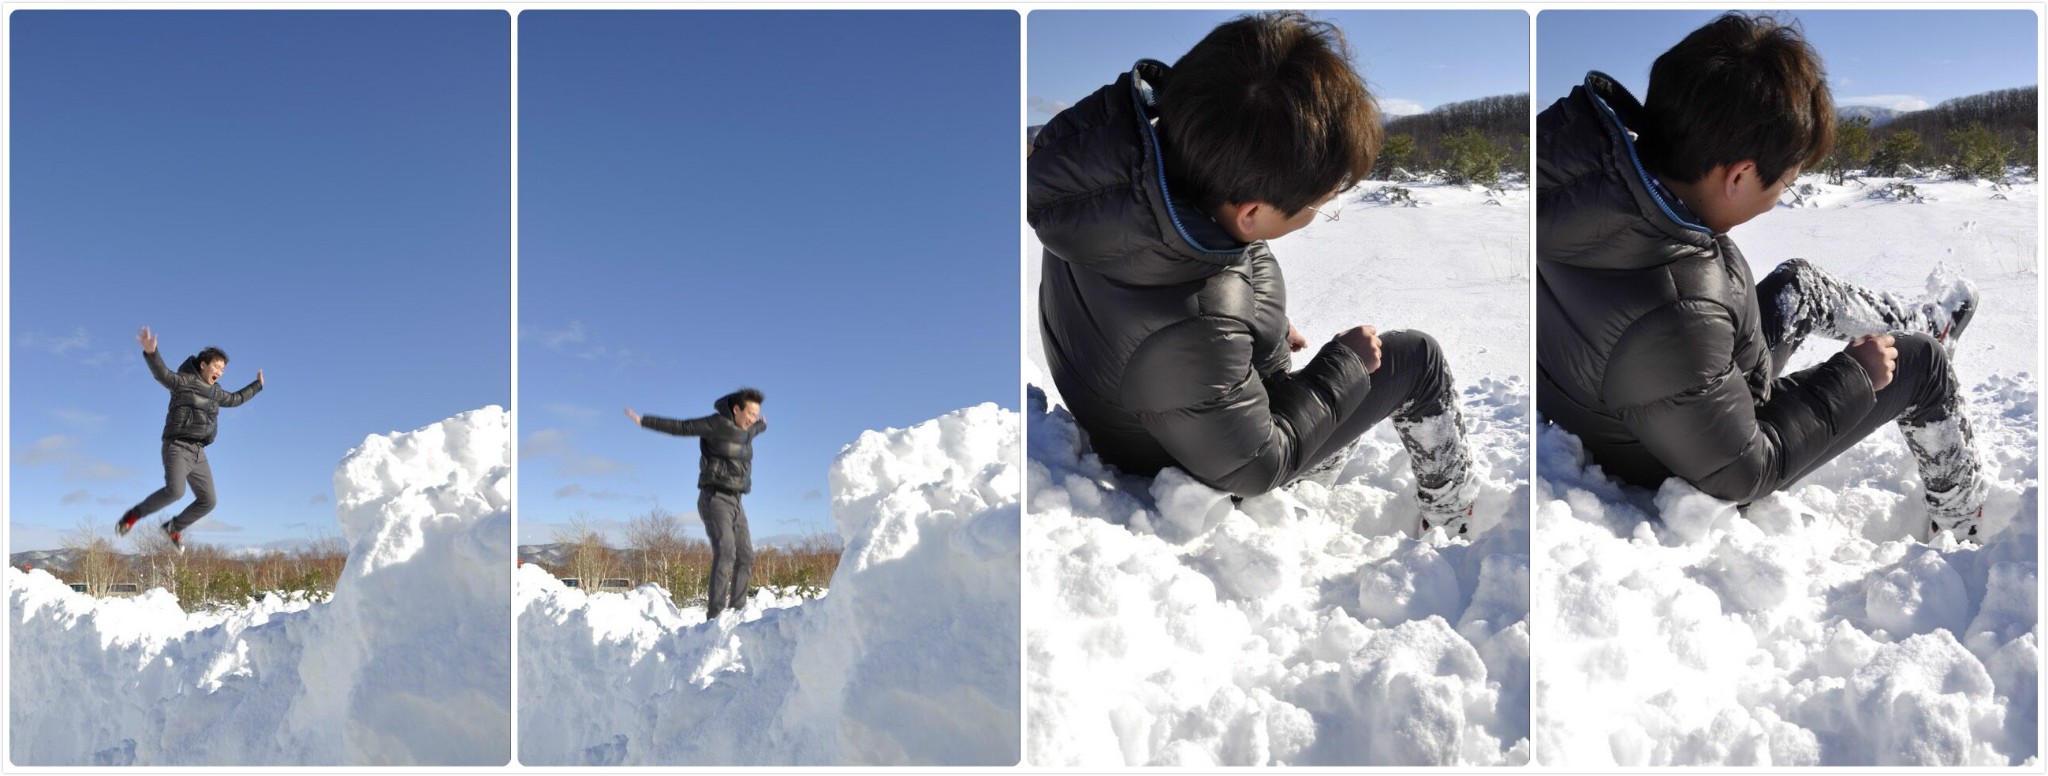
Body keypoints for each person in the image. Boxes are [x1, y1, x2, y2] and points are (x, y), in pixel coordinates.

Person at [1535, 12, 1987, 539]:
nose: (1778, 200)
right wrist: (1856, 377)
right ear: (1740, 175)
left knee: (1799, 284)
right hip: (1690, 447)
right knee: (1919, 365)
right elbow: (1744, 471)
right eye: (1785, 185)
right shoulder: (1676, 311)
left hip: (1656, 397)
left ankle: (1922, 325)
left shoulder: (1594, 198)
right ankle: (1964, 524)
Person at [1028, 11, 1478, 534]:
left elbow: (1199, 286)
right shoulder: (1197, 329)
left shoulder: (1118, 197)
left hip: (1171, 421)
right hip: (1208, 473)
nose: (1317, 213)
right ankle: (1455, 524)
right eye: (1320, 204)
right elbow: (1257, 465)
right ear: (1250, 212)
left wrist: (1260, 323)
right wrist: (1345, 365)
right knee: (1415, 358)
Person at [115, 326, 265, 549]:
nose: (220, 372)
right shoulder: (183, 382)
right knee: (175, 491)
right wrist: (151, 353)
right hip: (177, 445)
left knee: (208, 501)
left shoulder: (216, 393)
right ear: (203, 365)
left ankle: (173, 528)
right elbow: (162, 374)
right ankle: (132, 516)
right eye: (217, 366)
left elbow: (235, 399)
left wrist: (257, 386)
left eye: (223, 369)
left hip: (199, 452)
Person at [626, 388, 766, 618]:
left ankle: (737, 612)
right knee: (726, 550)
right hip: (715, 499)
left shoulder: (748, 430)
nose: (752, 420)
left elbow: (755, 430)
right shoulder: (716, 424)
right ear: (736, 409)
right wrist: (644, 421)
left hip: (737, 502)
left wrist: (761, 424)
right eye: (750, 414)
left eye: (756, 415)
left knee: (746, 555)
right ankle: (716, 616)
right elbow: (682, 427)